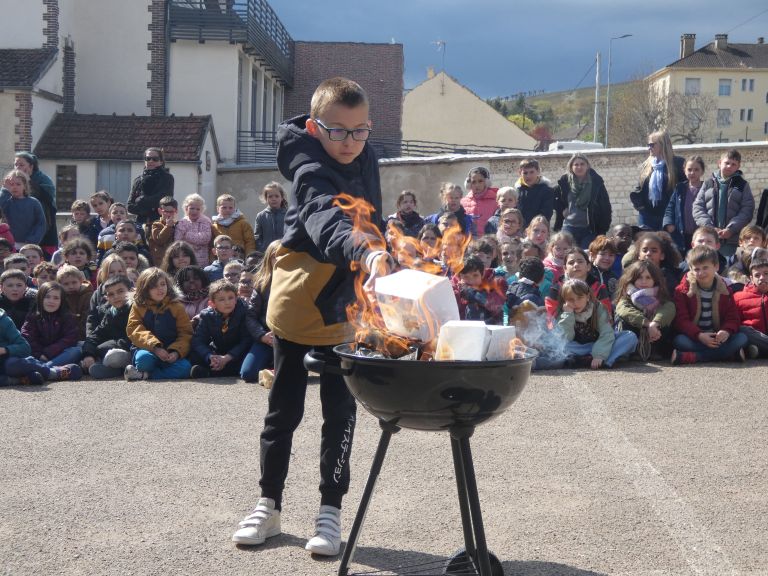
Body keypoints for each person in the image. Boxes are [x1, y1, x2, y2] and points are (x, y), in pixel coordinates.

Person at [232, 77, 393, 556]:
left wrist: (379, 254)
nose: (350, 142)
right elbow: (325, 214)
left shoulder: (365, 152)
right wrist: (365, 250)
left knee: (340, 412)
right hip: (301, 291)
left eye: (360, 131)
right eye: (338, 131)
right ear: (313, 125)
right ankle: (268, 503)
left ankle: (331, 511)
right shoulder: (306, 160)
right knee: (284, 410)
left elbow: (371, 213)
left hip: (345, 294)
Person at [671, 245, 748, 364]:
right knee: (679, 340)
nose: (701, 273)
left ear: (716, 266)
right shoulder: (682, 291)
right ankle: (727, 354)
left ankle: (694, 357)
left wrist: (726, 331)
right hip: (695, 337)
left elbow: (733, 318)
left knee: (742, 338)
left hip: (717, 337)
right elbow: (681, 321)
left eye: (705, 267)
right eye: (696, 269)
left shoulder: (725, 290)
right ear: (690, 269)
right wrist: (699, 335)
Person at [124, 267, 193, 381]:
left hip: (171, 352)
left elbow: (186, 333)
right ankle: (146, 370)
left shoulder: (177, 306)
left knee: (185, 368)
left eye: (162, 284)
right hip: (148, 350)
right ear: (145, 289)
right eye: (154, 286)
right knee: (144, 360)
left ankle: (144, 375)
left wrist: (176, 352)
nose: (160, 289)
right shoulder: (138, 306)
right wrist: (155, 348)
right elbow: (134, 329)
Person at [5, 281, 83, 381]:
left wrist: (47, 353)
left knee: (77, 350)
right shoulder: (32, 316)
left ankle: (40, 371)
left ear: (61, 301)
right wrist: (39, 354)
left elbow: (70, 338)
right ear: (40, 298)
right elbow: (27, 336)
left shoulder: (67, 317)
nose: (51, 301)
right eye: (47, 297)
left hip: (58, 355)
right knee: (12, 362)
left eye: (56, 298)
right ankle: (54, 372)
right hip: (36, 355)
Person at [557, 279, 637, 369]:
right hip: (581, 348)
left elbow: (606, 333)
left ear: (587, 297)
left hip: (602, 344)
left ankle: (603, 360)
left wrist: (599, 355)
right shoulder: (565, 312)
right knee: (561, 346)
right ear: (564, 300)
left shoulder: (598, 308)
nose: (575, 303)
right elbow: (565, 338)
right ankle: (592, 359)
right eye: (571, 299)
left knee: (630, 337)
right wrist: (568, 315)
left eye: (579, 298)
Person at [692, 149, 755, 258]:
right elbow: (698, 207)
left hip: (731, 241)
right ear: (720, 163)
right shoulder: (708, 183)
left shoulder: (742, 185)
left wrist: (731, 229)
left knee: (728, 270)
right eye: (727, 163)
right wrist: (709, 227)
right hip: (708, 240)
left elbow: (747, 210)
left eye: (733, 164)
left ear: (738, 166)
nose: (729, 166)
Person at [189, 279, 252, 378]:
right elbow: (198, 340)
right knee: (194, 354)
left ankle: (210, 373)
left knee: (246, 361)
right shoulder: (207, 315)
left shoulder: (244, 312)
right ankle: (214, 367)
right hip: (217, 351)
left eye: (231, 298)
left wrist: (227, 357)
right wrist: (210, 356)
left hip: (236, 353)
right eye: (222, 299)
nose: (227, 302)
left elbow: (246, 340)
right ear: (212, 304)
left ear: (236, 299)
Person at [614, 261, 676, 360]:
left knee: (665, 318)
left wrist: (655, 323)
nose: (644, 281)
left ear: (655, 280)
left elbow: (669, 308)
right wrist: (647, 323)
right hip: (636, 332)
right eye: (639, 277)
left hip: (655, 334)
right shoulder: (627, 295)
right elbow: (624, 309)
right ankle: (634, 351)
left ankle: (654, 350)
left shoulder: (660, 296)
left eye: (648, 277)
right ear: (633, 279)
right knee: (624, 319)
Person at [630, 130, 685, 231]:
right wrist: (640, 207)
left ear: (663, 145)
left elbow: (683, 190)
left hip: (669, 216)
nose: (649, 148)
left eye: (652, 145)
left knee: (666, 245)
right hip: (647, 216)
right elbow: (639, 189)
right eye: (648, 144)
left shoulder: (678, 164)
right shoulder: (647, 165)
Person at [240, 240, 279, 382]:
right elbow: (250, 316)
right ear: (269, 259)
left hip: (291, 338)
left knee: (294, 375)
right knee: (248, 373)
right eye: (275, 256)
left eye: (284, 255)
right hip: (266, 336)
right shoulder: (261, 284)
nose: (279, 259)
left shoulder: (299, 283)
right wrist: (262, 336)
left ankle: (276, 366)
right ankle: (271, 364)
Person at [554, 153, 612, 248]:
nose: (579, 167)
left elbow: (606, 208)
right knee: (567, 254)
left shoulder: (597, 184)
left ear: (587, 166)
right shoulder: (564, 182)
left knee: (587, 256)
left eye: (582, 164)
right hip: (569, 227)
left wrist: (603, 230)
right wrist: (562, 209)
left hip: (589, 229)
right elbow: (553, 198)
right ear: (571, 167)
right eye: (576, 164)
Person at [80, 275, 133, 379]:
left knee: (112, 356)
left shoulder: (136, 310)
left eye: (120, 291)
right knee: (82, 346)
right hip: (112, 348)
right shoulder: (111, 313)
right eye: (111, 294)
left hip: (131, 350)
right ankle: (99, 365)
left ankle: (114, 368)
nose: (116, 296)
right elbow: (97, 334)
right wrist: (88, 354)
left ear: (131, 291)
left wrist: (107, 346)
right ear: (106, 298)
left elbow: (134, 338)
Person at [546, 248, 612, 321]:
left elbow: (606, 318)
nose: (576, 265)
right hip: (564, 330)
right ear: (565, 268)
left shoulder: (599, 288)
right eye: (571, 263)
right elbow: (551, 320)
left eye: (580, 262)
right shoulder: (556, 289)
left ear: (588, 266)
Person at [13, 152, 58, 257]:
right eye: (16, 164)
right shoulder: (12, 181)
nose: (18, 167)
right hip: (20, 235)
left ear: (31, 166)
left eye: (21, 165)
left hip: (44, 233)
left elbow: (47, 197)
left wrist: (28, 181)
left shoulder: (43, 179)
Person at [663, 155, 705, 254]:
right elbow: (670, 207)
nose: (692, 173)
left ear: (702, 171)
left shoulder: (707, 188)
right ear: (684, 170)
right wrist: (668, 223)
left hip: (701, 236)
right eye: (689, 169)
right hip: (681, 236)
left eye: (696, 170)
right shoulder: (680, 188)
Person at [451, 255, 505, 324]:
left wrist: (470, 292)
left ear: (482, 275)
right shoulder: (454, 290)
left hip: (488, 329)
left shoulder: (494, 286)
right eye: (466, 276)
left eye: (475, 275)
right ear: (459, 277)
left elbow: (495, 306)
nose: (471, 280)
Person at [127, 147, 174, 226]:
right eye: (148, 158)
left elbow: (164, 200)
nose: (151, 161)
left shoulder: (167, 178)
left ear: (161, 161)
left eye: (155, 159)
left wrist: (141, 201)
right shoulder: (138, 180)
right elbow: (130, 206)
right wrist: (145, 210)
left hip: (160, 222)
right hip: (140, 222)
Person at [0, 169, 46, 249]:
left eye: (18, 184)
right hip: (7, 245)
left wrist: (32, 240)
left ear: (24, 185)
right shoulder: (6, 201)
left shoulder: (33, 203)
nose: (14, 187)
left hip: (27, 245)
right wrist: (4, 191)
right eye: (11, 184)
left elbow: (41, 224)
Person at [734, 258, 768, 358]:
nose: (762, 278)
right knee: (743, 330)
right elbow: (734, 321)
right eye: (757, 275)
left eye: (766, 273)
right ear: (751, 278)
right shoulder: (738, 297)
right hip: (755, 336)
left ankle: (758, 352)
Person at [0, 306, 42, 387]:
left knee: (12, 364)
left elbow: (25, 347)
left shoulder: (4, 321)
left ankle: (52, 371)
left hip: (6, 363)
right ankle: (21, 380)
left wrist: (4, 350)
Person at [56, 264, 94, 341]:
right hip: (64, 337)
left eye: (74, 282)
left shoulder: (88, 296)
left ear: (80, 281)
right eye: (66, 284)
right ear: (60, 284)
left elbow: (87, 321)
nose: (71, 286)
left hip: (82, 337)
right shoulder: (60, 297)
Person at [514, 158, 555, 227]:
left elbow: (546, 214)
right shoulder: (517, 191)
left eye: (531, 172)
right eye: (525, 173)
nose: (528, 176)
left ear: (538, 171)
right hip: (519, 230)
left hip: (538, 230)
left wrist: (532, 228)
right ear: (520, 173)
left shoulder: (547, 191)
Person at [174, 193, 212, 266]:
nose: (194, 211)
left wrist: (187, 235)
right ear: (186, 208)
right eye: (192, 208)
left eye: (198, 209)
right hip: (186, 258)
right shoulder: (182, 222)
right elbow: (178, 241)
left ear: (202, 210)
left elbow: (206, 238)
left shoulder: (205, 221)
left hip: (202, 260)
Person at [461, 166, 497, 234]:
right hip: (469, 241)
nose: (477, 185)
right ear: (469, 184)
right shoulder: (462, 203)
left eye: (480, 181)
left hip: (488, 241)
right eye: (474, 182)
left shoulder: (496, 201)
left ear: (486, 182)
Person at [253, 182, 288, 253]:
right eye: (270, 196)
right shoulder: (261, 216)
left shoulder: (289, 214)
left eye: (277, 196)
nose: (273, 199)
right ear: (266, 198)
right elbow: (257, 236)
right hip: (266, 254)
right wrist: (261, 250)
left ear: (282, 198)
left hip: (285, 252)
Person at [588, 235, 619, 301]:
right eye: (602, 254)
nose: (607, 258)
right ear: (593, 255)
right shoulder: (587, 273)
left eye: (611, 255)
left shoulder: (614, 278)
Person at [148, 196, 178, 266]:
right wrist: (168, 226)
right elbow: (159, 239)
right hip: (160, 262)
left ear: (176, 211)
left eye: (171, 212)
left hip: (173, 260)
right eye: (166, 211)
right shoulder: (156, 225)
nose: (168, 214)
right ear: (160, 211)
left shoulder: (178, 225)